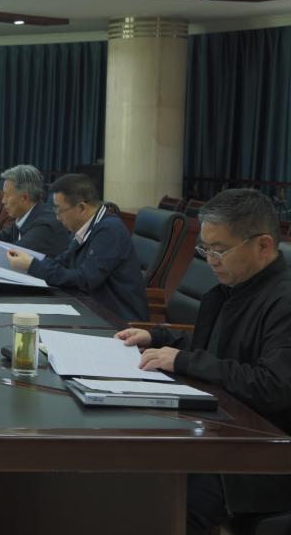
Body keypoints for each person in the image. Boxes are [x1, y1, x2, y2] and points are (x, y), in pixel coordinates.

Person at [115, 189, 291, 534]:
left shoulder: (283, 302)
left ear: (263, 245)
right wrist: (158, 337)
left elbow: (273, 385)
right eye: (205, 249)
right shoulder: (236, 288)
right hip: (220, 428)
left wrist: (184, 361)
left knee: (167, 499)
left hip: (259, 454)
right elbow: (216, 348)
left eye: (220, 250)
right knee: (134, 466)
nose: (210, 260)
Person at [5, 173, 148, 321]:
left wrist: (33, 265)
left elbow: (84, 280)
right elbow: (62, 262)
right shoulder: (84, 228)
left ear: (81, 208)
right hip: (91, 309)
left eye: (59, 210)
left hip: (118, 320)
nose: (57, 217)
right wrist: (32, 264)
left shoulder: (110, 231)